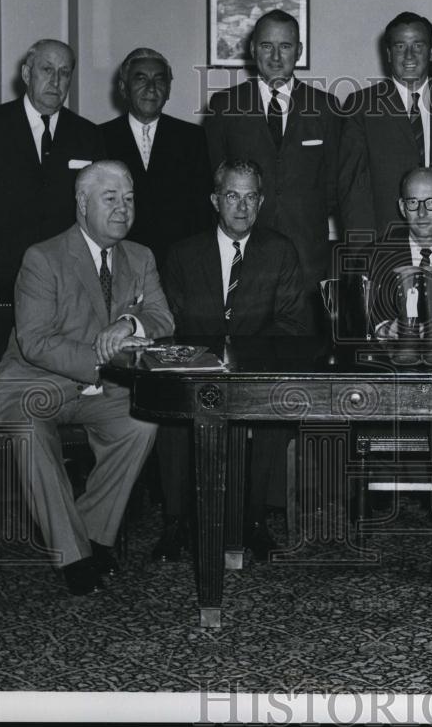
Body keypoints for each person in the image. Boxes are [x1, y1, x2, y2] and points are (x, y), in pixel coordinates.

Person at [0, 160, 173, 596]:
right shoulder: (42, 258)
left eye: (128, 199)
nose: (123, 209)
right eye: (110, 199)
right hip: (34, 383)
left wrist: (128, 324)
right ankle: (73, 557)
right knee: (30, 431)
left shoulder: (140, 256)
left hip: (99, 389)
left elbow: (162, 315)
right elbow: (35, 342)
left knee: (142, 421)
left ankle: (90, 533)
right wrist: (100, 359)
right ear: (82, 203)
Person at [0, 38, 105, 529]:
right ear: (26, 72)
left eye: (65, 72)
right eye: (47, 70)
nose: (56, 81)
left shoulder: (87, 136)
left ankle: (67, 512)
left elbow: (97, 217)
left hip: (62, 297)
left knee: (65, 395)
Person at [338, 167, 432, 582]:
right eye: (413, 203)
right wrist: (377, 331)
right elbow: (347, 332)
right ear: (401, 207)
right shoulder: (374, 256)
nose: (423, 213)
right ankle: (352, 520)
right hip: (389, 384)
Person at [155, 160, 309, 562]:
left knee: (275, 404)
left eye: (251, 196)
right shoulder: (183, 254)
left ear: (261, 200)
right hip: (197, 371)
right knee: (168, 409)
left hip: (255, 370)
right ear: (215, 200)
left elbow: (292, 324)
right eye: (232, 196)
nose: (242, 207)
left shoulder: (280, 251)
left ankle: (255, 522)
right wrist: (203, 361)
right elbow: (169, 323)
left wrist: (244, 359)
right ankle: (175, 522)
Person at [204, 9, 352, 324]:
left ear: (298, 51)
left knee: (304, 352)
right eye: (266, 46)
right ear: (252, 49)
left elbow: (334, 186)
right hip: (243, 253)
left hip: (307, 258)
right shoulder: (225, 106)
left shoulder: (326, 108)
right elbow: (215, 182)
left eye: (284, 46)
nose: (275, 56)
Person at [339, 11, 432, 234]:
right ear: (388, 53)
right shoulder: (361, 106)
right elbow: (353, 190)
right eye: (399, 46)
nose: (409, 55)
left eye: (418, 46)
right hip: (385, 241)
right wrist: (365, 255)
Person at [99, 47, 214, 268]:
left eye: (159, 80)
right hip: (117, 265)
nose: (151, 88)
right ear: (123, 88)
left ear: (169, 90)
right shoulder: (99, 137)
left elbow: (202, 214)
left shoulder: (192, 137)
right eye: (140, 79)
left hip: (178, 266)